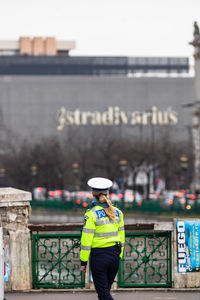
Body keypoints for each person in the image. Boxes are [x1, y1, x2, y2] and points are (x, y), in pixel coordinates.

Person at [80, 177, 125, 300]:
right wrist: (119, 255)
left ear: (92, 194)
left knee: (104, 294)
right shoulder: (118, 213)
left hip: (99, 258)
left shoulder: (91, 214)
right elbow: (122, 237)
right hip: (114, 256)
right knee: (105, 292)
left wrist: (83, 261)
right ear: (108, 192)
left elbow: (86, 240)